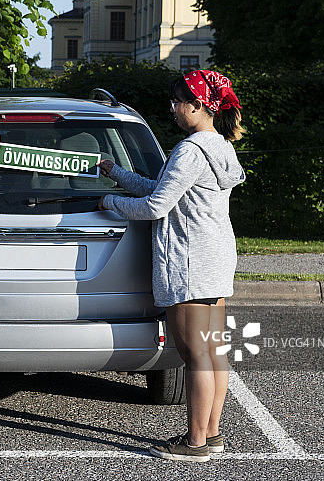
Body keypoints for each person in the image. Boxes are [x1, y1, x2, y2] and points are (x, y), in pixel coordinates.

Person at [97, 70, 246, 463]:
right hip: (213, 257)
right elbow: (161, 188)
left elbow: (155, 206)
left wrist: (110, 203)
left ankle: (196, 442)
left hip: (189, 260)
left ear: (198, 106)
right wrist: (116, 174)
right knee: (213, 352)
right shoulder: (220, 148)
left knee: (196, 354)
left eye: (178, 102)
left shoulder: (190, 150)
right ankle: (210, 435)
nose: (174, 109)